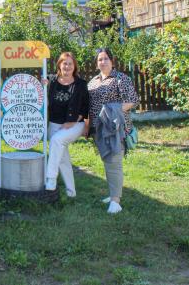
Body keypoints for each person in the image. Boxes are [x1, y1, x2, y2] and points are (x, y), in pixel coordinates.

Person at [86, 48, 139, 214]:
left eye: (106, 59)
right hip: (98, 128)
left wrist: (110, 112)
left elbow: (132, 101)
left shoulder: (120, 78)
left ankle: (116, 201)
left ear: (112, 61)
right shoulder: (93, 81)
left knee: (114, 163)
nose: (103, 62)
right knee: (107, 161)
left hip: (114, 128)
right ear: (97, 63)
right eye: (100, 59)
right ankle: (113, 194)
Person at [43, 52, 89, 197]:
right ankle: (71, 192)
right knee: (62, 158)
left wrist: (72, 122)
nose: (67, 66)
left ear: (74, 66)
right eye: (64, 63)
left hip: (75, 125)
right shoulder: (51, 80)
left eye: (70, 63)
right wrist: (42, 85)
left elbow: (85, 108)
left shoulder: (81, 84)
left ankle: (50, 178)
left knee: (57, 141)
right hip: (54, 125)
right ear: (59, 65)